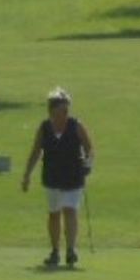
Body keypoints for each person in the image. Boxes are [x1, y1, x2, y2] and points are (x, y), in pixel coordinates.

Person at [20, 87, 94, 269]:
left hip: (73, 176)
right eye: (63, 109)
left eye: (67, 108)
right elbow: (36, 152)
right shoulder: (45, 128)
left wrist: (88, 165)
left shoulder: (76, 125)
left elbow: (90, 149)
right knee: (54, 214)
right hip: (52, 176)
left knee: (70, 210)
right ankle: (55, 251)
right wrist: (27, 175)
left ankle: (71, 250)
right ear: (53, 110)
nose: (66, 112)